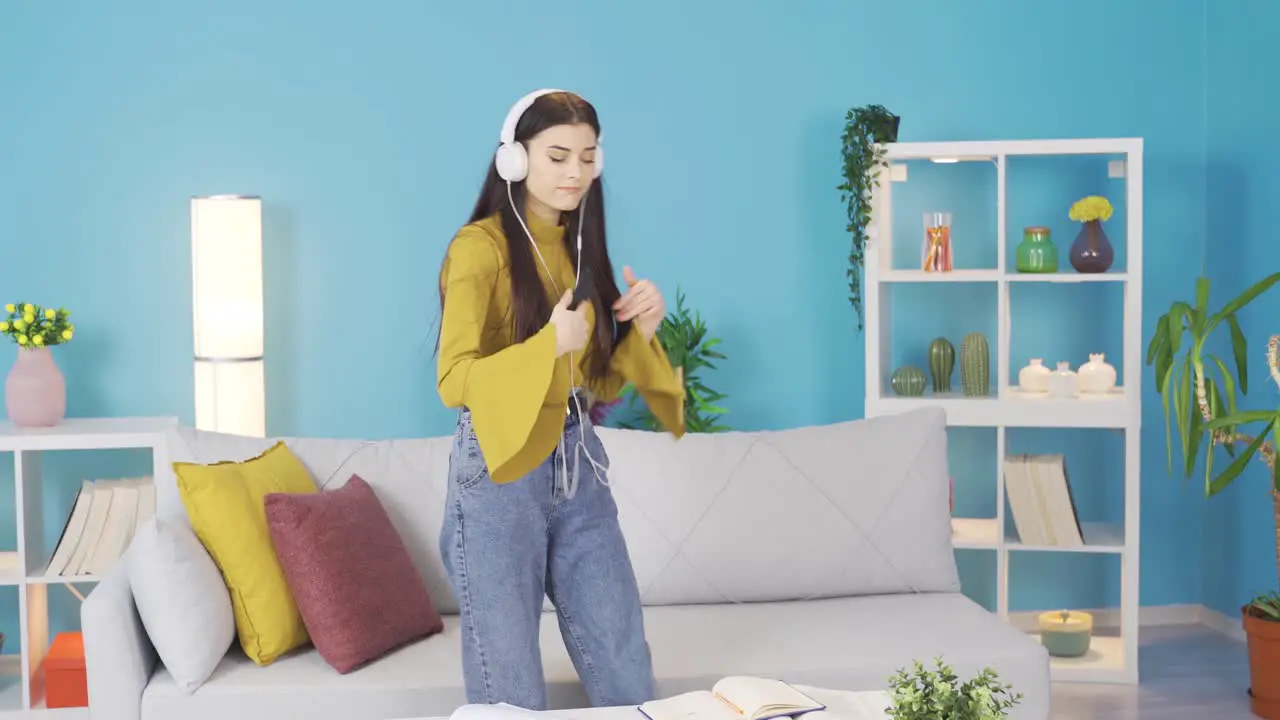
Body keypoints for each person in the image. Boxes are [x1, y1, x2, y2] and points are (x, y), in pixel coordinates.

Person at [433, 88, 686, 711]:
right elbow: (453, 380)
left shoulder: (579, 244)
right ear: (516, 160)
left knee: (624, 666)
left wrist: (640, 334)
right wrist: (545, 346)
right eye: (557, 156)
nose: (575, 172)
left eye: (587, 156)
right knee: (509, 691)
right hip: (499, 470)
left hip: (579, 465)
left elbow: (597, 386)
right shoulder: (479, 248)